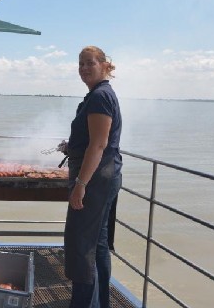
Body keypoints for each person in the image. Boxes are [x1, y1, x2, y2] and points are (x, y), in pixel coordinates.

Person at [61, 46, 123, 308]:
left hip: (95, 180)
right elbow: (93, 140)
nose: (84, 68)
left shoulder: (100, 97)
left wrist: (80, 184)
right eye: (81, 64)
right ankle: (100, 303)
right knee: (97, 244)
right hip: (104, 176)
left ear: (104, 65)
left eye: (90, 63)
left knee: (81, 245)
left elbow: (98, 145)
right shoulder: (98, 95)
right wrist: (71, 146)